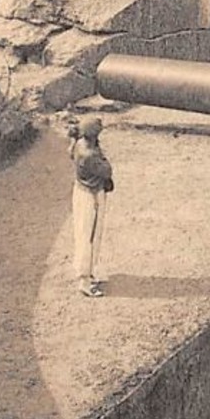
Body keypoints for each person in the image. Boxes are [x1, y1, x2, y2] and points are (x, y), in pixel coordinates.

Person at [69, 116, 114, 298]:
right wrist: (104, 158)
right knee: (88, 236)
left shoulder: (78, 144)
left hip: (82, 192)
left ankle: (88, 273)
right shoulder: (90, 155)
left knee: (85, 235)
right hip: (91, 196)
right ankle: (85, 280)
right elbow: (107, 170)